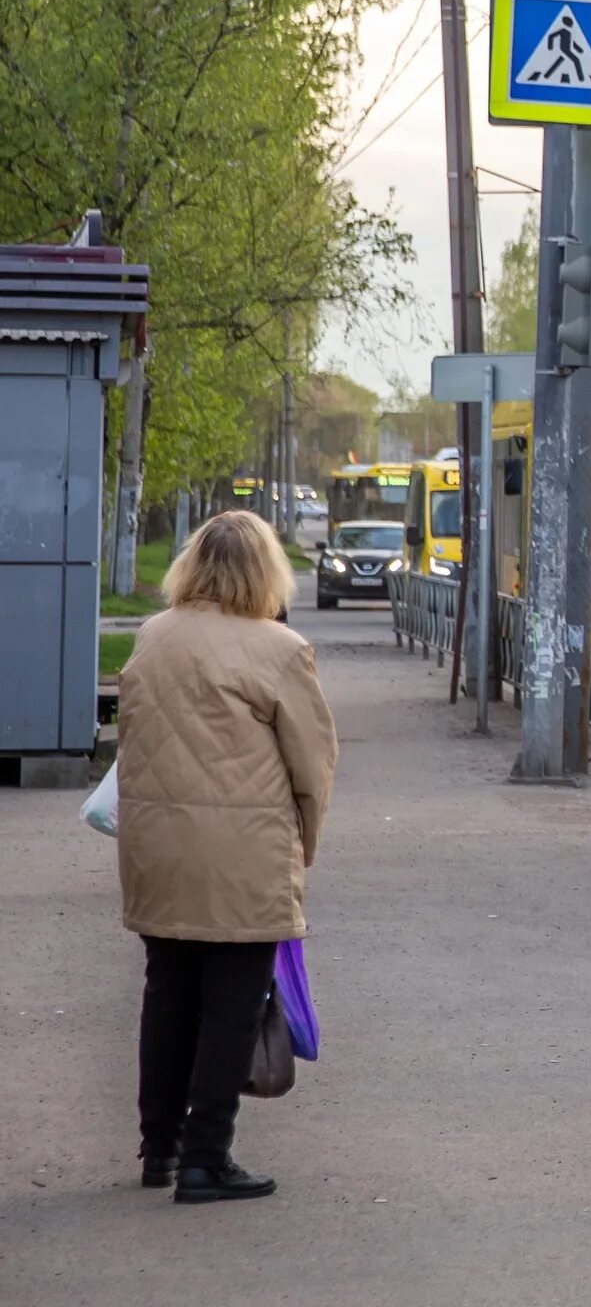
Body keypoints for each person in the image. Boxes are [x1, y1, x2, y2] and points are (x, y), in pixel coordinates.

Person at [117, 511, 337, 1204]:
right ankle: (208, 1159)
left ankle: (160, 1149)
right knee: (232, 1007)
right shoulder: (280, 650)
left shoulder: (152, 637)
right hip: (243, 855)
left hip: (157, 849)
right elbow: (312, 769)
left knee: (168, 995)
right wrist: (301, 849)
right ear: (266, 571)